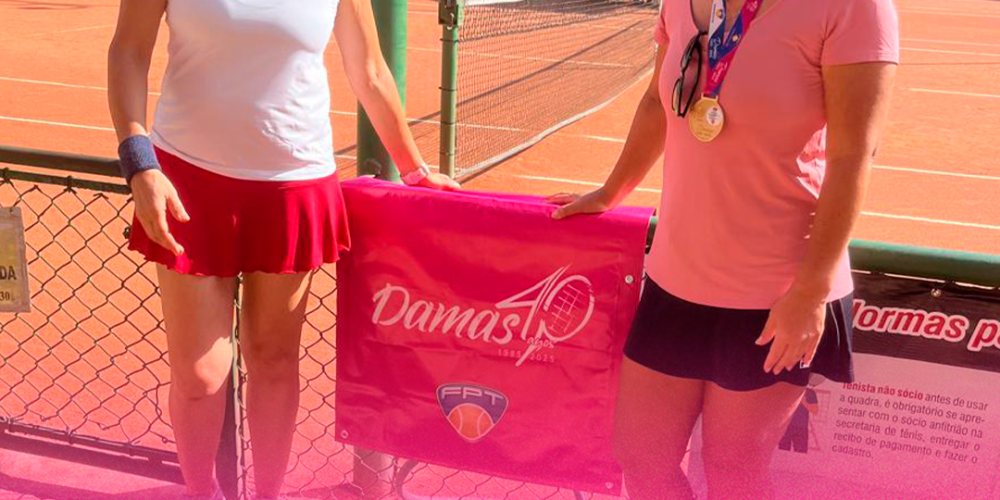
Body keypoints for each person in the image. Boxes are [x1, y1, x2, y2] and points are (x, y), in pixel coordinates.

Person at [107, 0, 458, 498]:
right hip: (188, 181)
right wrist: (139, 164)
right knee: (200, 376)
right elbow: (128, 50)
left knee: (273, 362)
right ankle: (200, 493)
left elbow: (370, 70)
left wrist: (415, 170)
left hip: (293, 184)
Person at [547, 0, 898, 497]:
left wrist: (810, 292)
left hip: (775, 293)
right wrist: (610, 192)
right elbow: (657, 103)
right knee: (641, 458)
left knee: (733, 472)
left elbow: (853, 155)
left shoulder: (853, 7)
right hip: (676, 279)